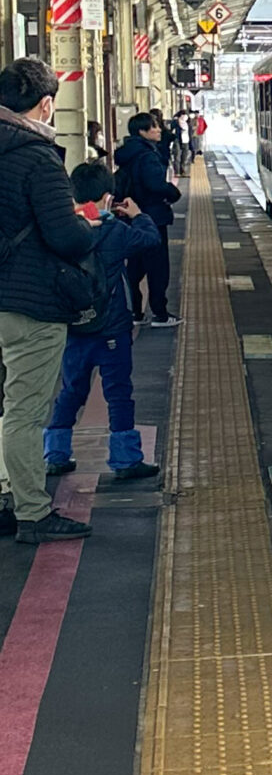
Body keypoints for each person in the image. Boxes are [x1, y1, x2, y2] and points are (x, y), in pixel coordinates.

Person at [0, 57, 104, 541]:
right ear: (45, 105)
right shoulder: (36, 156)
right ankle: (32, 512)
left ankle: (6, 497)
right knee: (23, 411)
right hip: (29, 303)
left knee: (5, 409)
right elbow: (65, 237)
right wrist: (86, 225)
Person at [44, 162, 160, 484]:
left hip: (73, 328)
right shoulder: (115, 231)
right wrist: (136, 214)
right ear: (108, 196)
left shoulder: (62, 231)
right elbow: (150, 240)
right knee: (119, 393)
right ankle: (125, 458)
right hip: (112, 329)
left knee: (70, 391)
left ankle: (54, 453)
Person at [114, 112, 181, 327]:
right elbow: (155, 184)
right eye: (154, 127)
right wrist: (172, 193)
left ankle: (135, 312)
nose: (159, 129)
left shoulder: (128, 153)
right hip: (153, 216)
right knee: (158, 267)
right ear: (142, 131)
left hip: (134, 215)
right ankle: (160, 314)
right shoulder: (147, 155)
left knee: (136, 265)